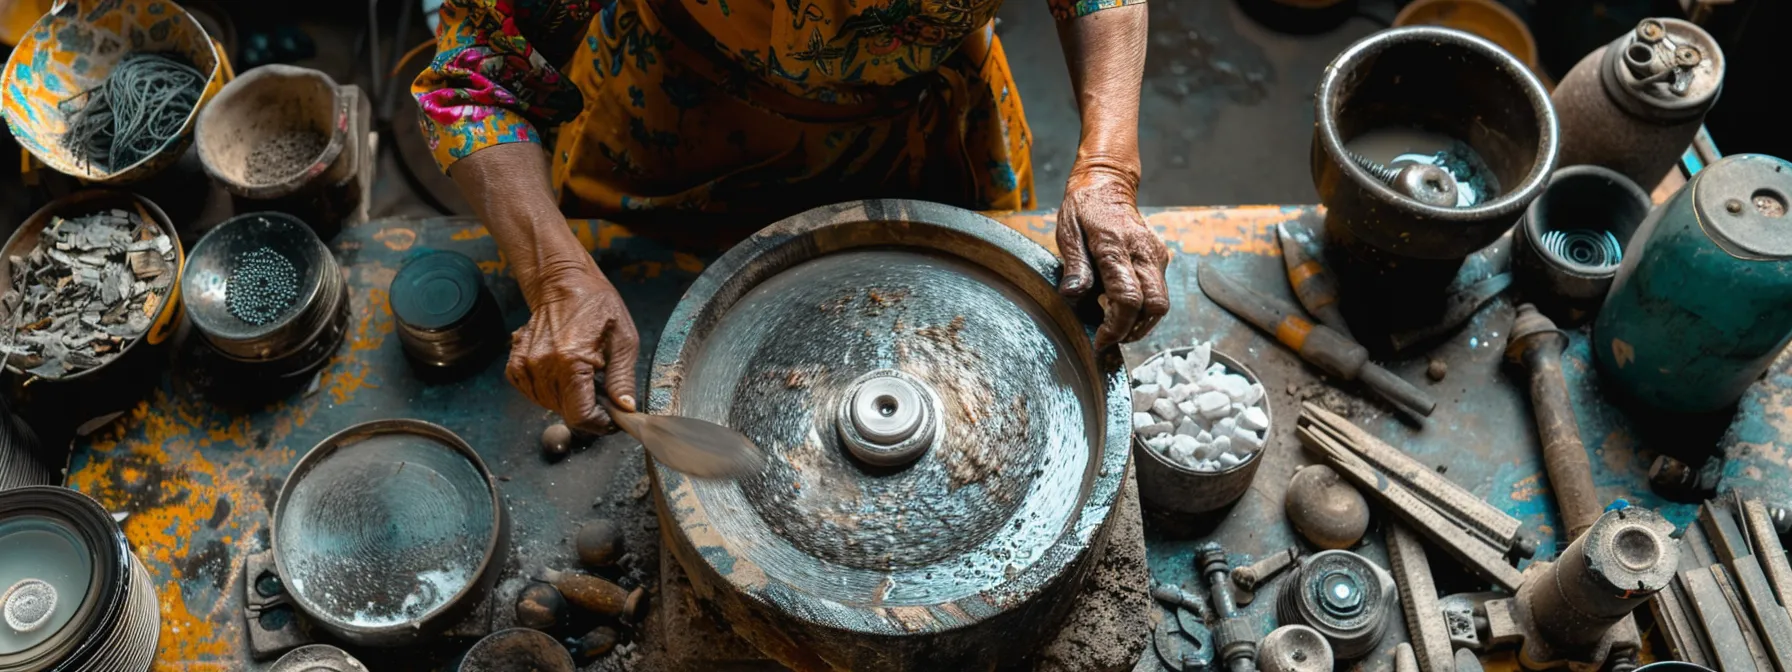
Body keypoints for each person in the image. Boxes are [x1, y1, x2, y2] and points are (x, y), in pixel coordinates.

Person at [414, 0, 1169, 433]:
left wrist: (1107, 169)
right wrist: (554, 275)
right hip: (676, 140)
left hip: (918, 137)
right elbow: (476, 77)